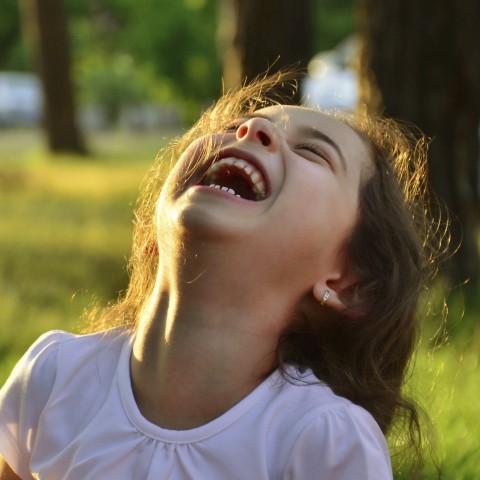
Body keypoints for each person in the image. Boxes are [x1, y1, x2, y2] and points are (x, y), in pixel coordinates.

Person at [0, 75, 443, 479]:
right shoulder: (53, 376)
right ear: (152, 235)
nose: (250, 131)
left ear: (346, 283)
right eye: (235, 127)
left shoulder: (321, 440)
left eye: (312, 151)